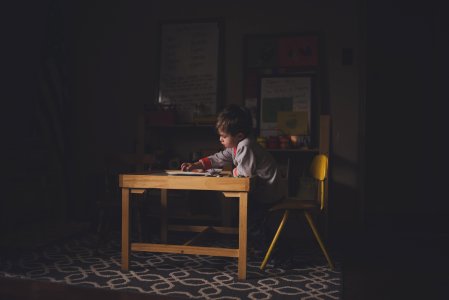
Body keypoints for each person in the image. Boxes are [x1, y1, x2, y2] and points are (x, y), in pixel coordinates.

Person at [180, 104, 284, 254]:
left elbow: (244, 175)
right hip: (261, 191)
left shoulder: (245, 146)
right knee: (245, 220)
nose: (220, 139)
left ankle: (278, 254)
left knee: (251, 224)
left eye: (224, 136)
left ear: (239, 136)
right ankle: (260, 249)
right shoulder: (236, 146)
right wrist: (197, 164)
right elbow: (219, 158)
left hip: (267, 194)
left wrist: (230, 171)